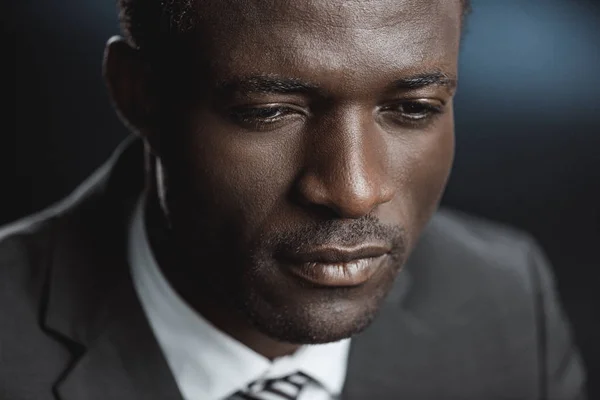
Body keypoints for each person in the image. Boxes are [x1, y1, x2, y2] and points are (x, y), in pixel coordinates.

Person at [0, 0, 587, 399]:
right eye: (268, 113)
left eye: (413, 108)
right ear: (138, 94)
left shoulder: (507, 305)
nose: (354, 191)